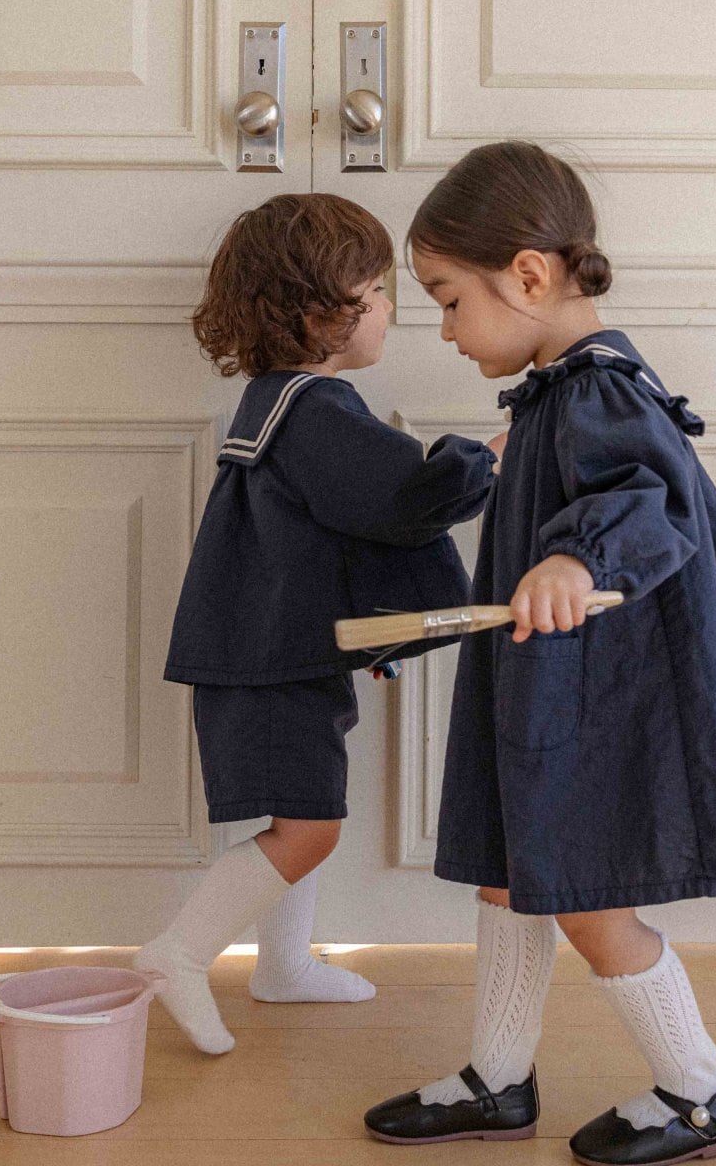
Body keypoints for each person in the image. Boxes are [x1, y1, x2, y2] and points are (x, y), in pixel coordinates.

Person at [361, 143, 716, 1165]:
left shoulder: (600, 392)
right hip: (550, 683)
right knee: (507, 870)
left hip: (598, 696)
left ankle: (699, 1089)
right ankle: (499, 1077)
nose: (445, 329)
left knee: (586, 899)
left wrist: (577, 556)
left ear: (528, 275)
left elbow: (646, 498)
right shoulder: (557, 393)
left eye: (449, 300)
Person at [142, 193, 500, 1055]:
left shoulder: (280, 401)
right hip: (266, 662)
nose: (389, 308)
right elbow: (399, 498)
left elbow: (321, 531)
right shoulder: (314, 409)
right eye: (374, 291)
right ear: (318, 313)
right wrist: (490, 459)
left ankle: (282, 966)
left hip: (269, 653)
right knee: (309, 829)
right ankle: (177, 954)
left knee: (300, 812)